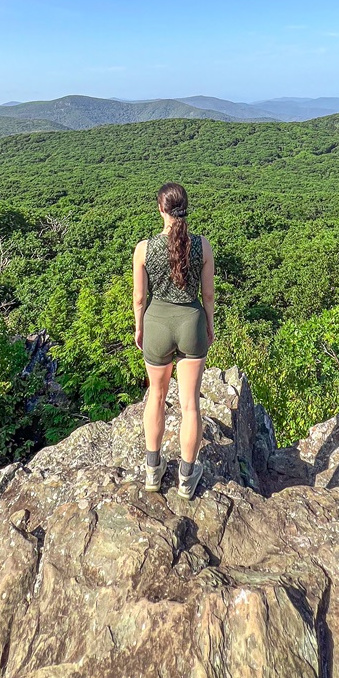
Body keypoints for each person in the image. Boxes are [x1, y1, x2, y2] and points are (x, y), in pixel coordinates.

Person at [133, 181, 215, 500]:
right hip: (191, 323)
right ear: (185, 207)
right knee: (189, 405)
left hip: (156, 324)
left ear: (160, 209)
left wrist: (140, 328)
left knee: (156, 396)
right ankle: (185, 478)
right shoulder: (202, 246)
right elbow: (207, 294)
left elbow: (140, 298)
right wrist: (208, 325)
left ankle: (153, 472)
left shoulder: (144, 248)